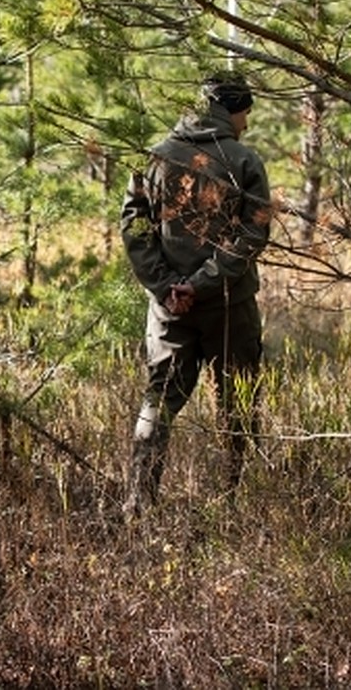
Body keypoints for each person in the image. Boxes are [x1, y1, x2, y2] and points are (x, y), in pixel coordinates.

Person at [120, 70, 272, 518]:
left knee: (158, 401)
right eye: (246, 111)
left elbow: (135, 228)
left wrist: (167, 287)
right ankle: (234, 503)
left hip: (170, 311)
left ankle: (138, 505)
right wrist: (201, 282)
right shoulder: (244, 160)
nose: (247, 121)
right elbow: (253, 233)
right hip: (230, 306)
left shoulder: (155, 157)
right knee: (239, 406)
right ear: (231, 109)